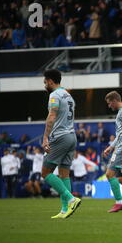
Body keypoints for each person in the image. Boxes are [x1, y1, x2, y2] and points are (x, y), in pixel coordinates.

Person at [41, 69, 82, 219]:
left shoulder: (54, 95)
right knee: (64, 173)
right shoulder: (69, 95)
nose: (45, 84)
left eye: (45, 81)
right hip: (72, 136)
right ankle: (65, 209)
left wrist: (45, 138)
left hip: (60, 137)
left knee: (45, 172)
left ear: (51, 81)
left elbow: (52, 116)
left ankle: (71, 199)